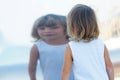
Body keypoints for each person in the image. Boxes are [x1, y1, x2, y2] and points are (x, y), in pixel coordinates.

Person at [61, 4, 114, 80]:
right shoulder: (100, 43)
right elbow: (109, 67)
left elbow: (66, 72)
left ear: (71, 25)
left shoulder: (71, 47)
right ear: (94, 24)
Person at [28, 14, 73, 80]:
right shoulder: (37, 47)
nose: (47, 31)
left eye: (54, 27)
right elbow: (32, 68)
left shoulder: (74, 45)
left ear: (66, 28)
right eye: (42, 28)